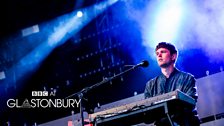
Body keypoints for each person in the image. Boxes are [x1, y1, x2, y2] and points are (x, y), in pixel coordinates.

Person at [144, 42, 200, 126]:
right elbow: (147, 115)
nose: (159, 55)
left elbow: (190, 104)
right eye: (157, 53)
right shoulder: (150, 85)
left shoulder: (187, 78)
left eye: (163, 52)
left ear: (173, 56)